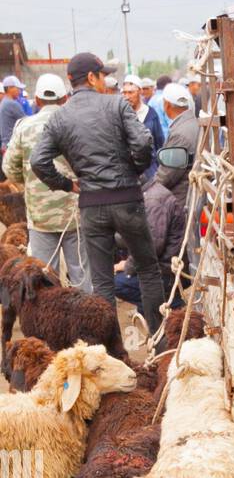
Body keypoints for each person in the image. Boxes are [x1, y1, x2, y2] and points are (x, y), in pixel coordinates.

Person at [31, 51, 165, 334]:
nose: (106, 80)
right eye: (103, 75)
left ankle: (110, 350)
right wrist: (135, 170)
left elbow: (38, 162)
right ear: (91, 78)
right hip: (127, 198)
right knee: (148, 270)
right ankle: (159, 341)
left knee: (101, 283)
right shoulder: (116, 105)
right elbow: (142, 142)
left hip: (91, 205)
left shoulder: (59, 118)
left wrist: (68, 184)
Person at [2, 72, 89, 289]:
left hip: (40, 216)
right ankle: (86, 321)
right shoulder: (79, 124)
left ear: (37, 100)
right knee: (81, 276)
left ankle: (50, 321)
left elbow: (9, 169)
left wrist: (33, 181)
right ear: (65, 99)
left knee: (44, 277)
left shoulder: (23, 127)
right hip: (75, 213)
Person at [115, 179, 184, 313]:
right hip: (164, 263)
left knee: (116, 284)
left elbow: (152, 245)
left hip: (165, 271)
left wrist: (127, 266)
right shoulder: (150, 193)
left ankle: (168, 305)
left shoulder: (153, 202)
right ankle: (151, 306)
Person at [154, 81, 198, 206]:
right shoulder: (192, 123)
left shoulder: (180, 133)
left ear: (167, 105)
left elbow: (167, 174)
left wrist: (149, 190)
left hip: (181, 199)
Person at [122, 74, 164, 178]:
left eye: (131, 92)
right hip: (128, 171)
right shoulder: (120, 115)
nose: (127, 96)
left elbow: (159, 143)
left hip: (150, 169)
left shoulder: (151, 114)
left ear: (140, 92)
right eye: (125, 93)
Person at [0, 76, 26, 157]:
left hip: (6, 144)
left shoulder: (4, 102)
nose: (19, 91)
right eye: (17, 88)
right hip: (12, 146)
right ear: (9, 88)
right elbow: (26, 122)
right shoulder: (12, 104)